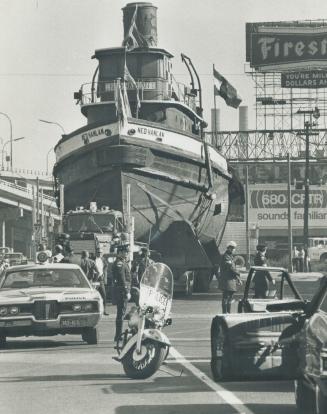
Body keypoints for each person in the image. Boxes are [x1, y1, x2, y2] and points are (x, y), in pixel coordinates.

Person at [112, 245, 131, 343]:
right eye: (125, 252)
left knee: (121, 314)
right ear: (120, 252)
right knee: (121, 314)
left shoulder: (122, 262)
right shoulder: (120, 263)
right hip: (121, 291)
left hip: (121, 291)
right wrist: (126, 291)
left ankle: (118, 335)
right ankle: (118, 336)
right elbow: (121, 278)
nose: (127, 253)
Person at [219, 241, 242, 314]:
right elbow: (231, 268)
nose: (232, 249)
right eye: (231, 248)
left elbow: (232, 268)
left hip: (230, 280)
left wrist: (238, 278)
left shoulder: (230, 256)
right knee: (226, 297)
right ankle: (225, 313)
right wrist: (238, 274)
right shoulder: (226, 256)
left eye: (234, 248)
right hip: (227, 280)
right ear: (228, 248)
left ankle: (228, 313)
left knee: (229, 298)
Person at [94, 249, 109, 315]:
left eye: (100, 253)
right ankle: (94, 310)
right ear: (96, 253)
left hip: (101, 279)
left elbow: (106, 265)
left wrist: (103, 273)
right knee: (94, 295)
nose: (99, 254)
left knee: (104, 295)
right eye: (98, 252)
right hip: (95, 279)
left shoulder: (103, 259)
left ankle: (104, 310)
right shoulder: (93, 259)